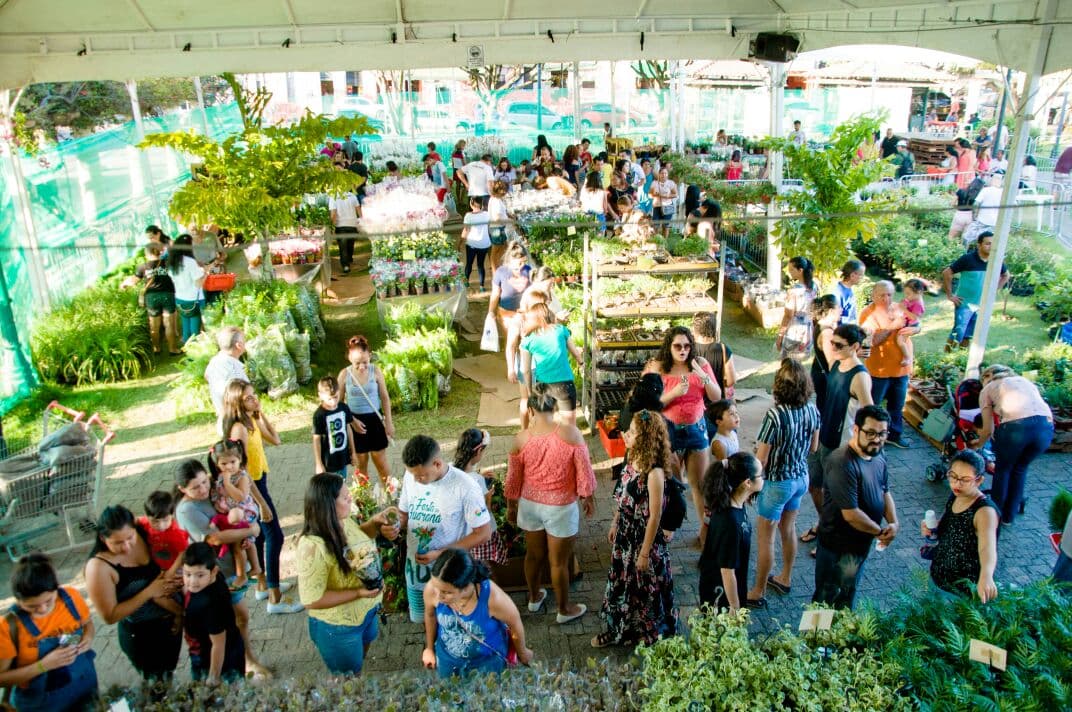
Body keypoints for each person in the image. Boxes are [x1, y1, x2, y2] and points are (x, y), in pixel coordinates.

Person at [174, 460, 269, 677]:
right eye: (195, 487)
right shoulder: (187, 510)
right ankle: (242, 664)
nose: (203, 490)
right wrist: (250, 530)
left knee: (241, 617)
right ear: (182, 489)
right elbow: (215, 538)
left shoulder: (209, 493)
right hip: (215, 576)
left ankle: (247, 661)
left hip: (229, 569)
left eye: (204, 482)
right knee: (232, 622)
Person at [298, 473, 400, 675]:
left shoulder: (342, 520)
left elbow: (358, 537)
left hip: (367, 613)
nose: (350, 498)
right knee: (346, 679)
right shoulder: (311, 547)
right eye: (345, 498)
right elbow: (311, 600)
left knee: (356, 667)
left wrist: (375, 524)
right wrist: (358, 593)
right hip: (339, 627)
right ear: (328, 505)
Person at [506, 394, 595, 624]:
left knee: (533, 556)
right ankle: (564, 609)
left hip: (529, 506)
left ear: (531, 411)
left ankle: (534, 598)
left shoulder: (521, 439)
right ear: (555, 408)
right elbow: (584, 471)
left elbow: (513, 479)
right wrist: (588, 496)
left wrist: (511, 506)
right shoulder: (571, 434)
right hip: (561, 507)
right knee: (558, 562)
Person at [593, 410, 675, 647]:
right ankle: (619, 630)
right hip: (625, 536)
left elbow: (655, 517)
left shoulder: (655, 473)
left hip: (643, 540)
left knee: (645, 590)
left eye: (632, 432)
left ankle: (648, 635)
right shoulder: (632, 457)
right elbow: (622, 496)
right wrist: (615, 522)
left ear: (647, 437)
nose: (626, 434)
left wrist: (645, 553)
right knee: (623, 586)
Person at [221, 380, 301, 613]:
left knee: (263, 538)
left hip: (260, 480)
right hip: (251, 486)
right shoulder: (238, 429)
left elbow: (276, 439)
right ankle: (274, 598)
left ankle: (265, 585)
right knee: (275, 535)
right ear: (236, 402)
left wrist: (261, 413)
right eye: (248, 398)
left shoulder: (251, 420)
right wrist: (260, 503)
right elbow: (241, 470)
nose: (254, 399)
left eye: (254, 395)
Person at [747, 359, 820, 605]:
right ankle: (785, 578)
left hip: (777, 483)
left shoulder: (775, 415)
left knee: (765, 539)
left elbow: (762, 459)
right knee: (788, 530)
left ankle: (758, 591)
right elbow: (814, 447)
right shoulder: (812, 410)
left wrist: (751, 482)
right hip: (800, 479)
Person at [399, 435, 493, 624]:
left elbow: (484, 532)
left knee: (451, 623)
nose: (416, 480)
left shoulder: (465, 486)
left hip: (450, 578)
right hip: (415, 573)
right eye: (413, 475)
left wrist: (440, 553)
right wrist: (393, 526)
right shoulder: (411, 476)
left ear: (437, 463)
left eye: (421, 475)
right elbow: (404, 514)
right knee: (422, 618)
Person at [813, 406, 899, 609]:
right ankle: (813, 639)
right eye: (871, 433)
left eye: (882, 433)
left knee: (847, 595)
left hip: (860, 545)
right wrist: (880, 532)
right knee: (825, 600)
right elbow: (851, 514)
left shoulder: (878, 455)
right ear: (856, 429)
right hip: (837, 548)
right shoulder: (841, 462)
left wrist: (894, 522)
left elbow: (884, 491)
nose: (877, 439)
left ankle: (839, 638)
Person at [83, 506, 182, 681]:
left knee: (168, 674)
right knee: (155, 683)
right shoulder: (98, 568)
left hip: (171, 623)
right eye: (117, 543)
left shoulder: (143, 529)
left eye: (130, 538)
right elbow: (109, 616)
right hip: (142, 635)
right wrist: (149, 592)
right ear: (102, 538)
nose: (127, 547)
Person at [644, 327, 721, 546]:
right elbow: (649, 403)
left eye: (687, 346)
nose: (683, 350)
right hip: (668, 429)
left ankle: (705, 530)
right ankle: (670, 525)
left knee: (699, 483)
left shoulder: (700, 364)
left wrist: (702, 375)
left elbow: (716, 397)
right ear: (669, 347)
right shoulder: (659, 367)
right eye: (678, 346)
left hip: (696, 429)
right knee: (673, 482)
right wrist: (674, 393)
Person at [802, 324, 873, 551]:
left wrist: (860, 447)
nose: (832, 347)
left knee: (836, 496)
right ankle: (826, 524)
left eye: (838, 345)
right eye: (832, 343)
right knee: (814, 485)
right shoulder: (837, 364)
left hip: (841, 445)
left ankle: (831, 537)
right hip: (823, 436)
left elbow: (869, 413)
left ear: (855, 347)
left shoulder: (860, 376)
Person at [0, 554, 97, 712]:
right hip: (42, 703)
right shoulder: (8, 627)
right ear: (18, 600)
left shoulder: (70, 598)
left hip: (84, 686)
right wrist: (42, 666)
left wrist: (88, 636)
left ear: (56, 589)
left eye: (48, 601)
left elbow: (87, 624)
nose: (42, 609)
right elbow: (2, 679)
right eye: (32, 606)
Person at [421, 549, 531, 677]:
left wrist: (522, 653)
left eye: (447, 592)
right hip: (448, 660)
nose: (439, 596)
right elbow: (430, 615)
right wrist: (429, 648)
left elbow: (515, 624)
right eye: (436, 587)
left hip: (488, 663)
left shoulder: (493, 598)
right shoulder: (432, 589)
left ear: (466, 586)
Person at [974, 365, 1055, 524]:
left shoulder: (989, 388)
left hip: (1017, 429)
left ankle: (994, 517)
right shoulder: (1024, 381)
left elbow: (987, 429)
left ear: (989, 375)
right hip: (1045, 428)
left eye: (982, 379)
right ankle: (1008, 517)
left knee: (1003, 470)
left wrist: (978, 446)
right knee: (1020, 469)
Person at [924, 450, 999, 601]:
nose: (957, 484)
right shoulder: (956, 495)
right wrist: (932, 528)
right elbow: (951, 526)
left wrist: (986, 575)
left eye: (965, 479)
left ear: (979, 480)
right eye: (953, 476)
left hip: (959, 591)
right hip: (938, 576)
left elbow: (987, 548)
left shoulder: (985, 511)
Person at [699, 453, 765, 612]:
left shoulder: (735, 503)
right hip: (721, 597)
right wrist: (734, 609)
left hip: (729, 587)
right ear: (748, 482)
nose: (763, 478)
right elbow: (727, 571)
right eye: (761, 475)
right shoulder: (730, 522)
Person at [861, 281, 917, 448]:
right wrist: (892, 327)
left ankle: (894, 434)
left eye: (890, 295)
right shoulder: (868, 314)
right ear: (873, 295)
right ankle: (869, 436)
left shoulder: (899, 308)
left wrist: (916, 329)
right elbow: (873, 341)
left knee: (897, 406)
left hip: (901, 369)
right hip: (879, 371)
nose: (886, 299)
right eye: (882, 295)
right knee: (873, 406)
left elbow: (916, 323)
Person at [181, 543, 246, 683]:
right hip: (215, 650)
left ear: (214, 571)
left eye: (199, 575)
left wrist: (213, 677)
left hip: (221, 662)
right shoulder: (214, 579)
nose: (192, 581)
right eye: (187, 574)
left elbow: (218, 644)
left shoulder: (210, 604)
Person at [207, 438, 263, 592]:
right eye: (224, 464)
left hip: (244, 513)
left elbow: (241, 497)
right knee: (243, 544)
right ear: (217, 463)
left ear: (240, 459)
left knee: (238, 546)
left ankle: (242, 576)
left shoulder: (242, 477)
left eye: (232, 462)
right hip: (231, 514)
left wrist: (228, 484)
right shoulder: (219, 477)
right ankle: (256, 567)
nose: (229, 467)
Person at [337, 335, 394, 484]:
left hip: (375, 421)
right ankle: (363, 502)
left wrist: (389, 422)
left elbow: (385, 398)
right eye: (357, 363)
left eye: (365, 362)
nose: (361, 367)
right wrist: (352, 420)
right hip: (355, 424)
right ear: (349, 357)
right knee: (361, 464)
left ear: (370, 355)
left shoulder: (376, 371)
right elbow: (338, 404)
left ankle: (391, 495)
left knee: (380, 462)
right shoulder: (344, 375)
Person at [941, 231, 1008, 351]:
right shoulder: (968, 259)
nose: (991, 246)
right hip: (964, 303)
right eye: (987, 244)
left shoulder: (995, 261)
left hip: (981, 305)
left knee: (969, 334)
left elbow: (1006, 275)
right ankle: (946, 357)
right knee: (958, 331)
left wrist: (994, 291)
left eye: (993, 244)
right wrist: (950, 295)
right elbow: (947, 273)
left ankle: (960, 358)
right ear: (979, 245)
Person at [520, 304, 584, 427]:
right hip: (565, 385)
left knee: (546, 427)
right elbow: (576, 353)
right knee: (569, 426)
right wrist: (581, 363)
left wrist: (529, 392)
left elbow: (526, 371)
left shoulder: (527, 340)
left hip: (543, 387)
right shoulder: (561, 330)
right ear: (549, 314)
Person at [134, 242, 179, 356]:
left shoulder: (142, 267)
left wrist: (124, 284)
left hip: (151, 297)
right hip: (167, 294)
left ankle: (156, 348)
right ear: (160, 251)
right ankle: (173, 349)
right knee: (169, 324)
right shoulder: (167, 263)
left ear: (146, 253)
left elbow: (135, 280)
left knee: (154, 326)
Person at [313, 376, 362, 477]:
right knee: (331, 489)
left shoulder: (343, 408)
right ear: (320, 396)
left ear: (339, 391)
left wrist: (353, 452)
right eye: (329, 399)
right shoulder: (319, 415)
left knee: (342, 482)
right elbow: (316, 439)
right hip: (328, 462)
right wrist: (318, 463)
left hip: (342, 458)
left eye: (335, 397)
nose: (333, 402)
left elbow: (348, 429)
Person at [490, 240, 533, 350]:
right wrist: (491, 312)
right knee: (511, 340)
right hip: (506, 314)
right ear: (510, 260)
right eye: (518, 263)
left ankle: (523, 364)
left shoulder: (528, 270)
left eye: (524, 262)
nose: (521, 266)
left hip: (523, 313)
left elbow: (533, 291)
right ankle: (512, 365)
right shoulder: (501, 272)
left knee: (524, 340)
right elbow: (495, 294)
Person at [165, 234, 205, 345]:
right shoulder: (189, 262)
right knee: (195, 328)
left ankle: (186, 346)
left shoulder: (172, 262)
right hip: (193, 298)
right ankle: (195, 351)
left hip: (179, 298)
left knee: (185, 324)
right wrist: (205, 272)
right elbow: (198, 283)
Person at [776, 256, 818, 361]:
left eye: (791, 270)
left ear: (800, 270)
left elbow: (788, 315)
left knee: (788, 363)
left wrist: (780, 335)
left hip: (794, 330)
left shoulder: (794, 291)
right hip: (808, 328)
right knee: (799, 364)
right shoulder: (814, 286)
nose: (789, 272)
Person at [137, 490, 189, 572]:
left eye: (165, 520)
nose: (160, 525)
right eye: (155, 521)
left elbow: (182, 552)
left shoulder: (176, 533)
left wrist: (171, 572)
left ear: (172, 515)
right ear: (147, 517)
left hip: (175, 567)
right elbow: (136, 520)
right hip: (158, 565)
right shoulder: (145, 522)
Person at [204, 327, 248, 422]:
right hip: (237, 420)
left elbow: (206, 376)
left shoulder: (215, 360)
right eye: (245, 340)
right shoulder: (235, 369)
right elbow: (242, 396)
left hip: (223, 419)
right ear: (239, 345)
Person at [692, 311, 736, 404]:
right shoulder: (723, 349)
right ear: (714, 328)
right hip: (718, 403)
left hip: (696, 402)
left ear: (695, 329)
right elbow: (731, 381)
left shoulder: (688, 350)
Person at [810, 295, 842, 415]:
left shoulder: (820, 324)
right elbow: (832, 361)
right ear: (831, 311)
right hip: (825, 377)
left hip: (819, 372)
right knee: (826, 411)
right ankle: (823, 433)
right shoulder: (827, 332)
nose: (841, 310)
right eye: (839, 307)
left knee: (822, 406)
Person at [462, 196, 492, 292]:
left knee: (469, 263)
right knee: (480, 265)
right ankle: (482, 286)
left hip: (472, 243)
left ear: (471, 204)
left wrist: (460, 242)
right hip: (484, 244)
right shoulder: (487, 215)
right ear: (482, 205)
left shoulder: (468, 216)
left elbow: (465, 231)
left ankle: (466, 282)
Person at [894, 278, 925, 367]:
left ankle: (907, 357)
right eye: (905, 293)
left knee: (900, 339)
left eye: (908, 294)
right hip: (908, 322)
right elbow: (906, 303)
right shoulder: (913, 299)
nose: (906, 296)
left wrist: (904, 309)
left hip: (912, 325)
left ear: (918, 292)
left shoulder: (918, 304)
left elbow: (914, 317)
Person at [329, 189, 361, 275]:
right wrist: (360, 220)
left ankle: (345, 266)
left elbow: (333, 214)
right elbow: (358, 209)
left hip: (340, 225)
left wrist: (332, 226)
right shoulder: (352, 195)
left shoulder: (333, 197)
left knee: (343, 246)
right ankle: (349, 259)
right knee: (351, 243)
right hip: (352, 224)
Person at [487, 181, 511, 270]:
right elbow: (497, 218)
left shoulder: (494, 198)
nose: (505, 192)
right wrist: (509, 220)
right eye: (504, 190)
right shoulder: (496, 201)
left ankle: (498, 268)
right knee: (495, 251)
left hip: (496, 227)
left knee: (500, 249)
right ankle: (495, 271)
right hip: (497, 228)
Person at [834, 259, 865, 325]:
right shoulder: (838, 293)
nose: (862, 278)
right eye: (861, 275)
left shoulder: (849, 291)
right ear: (852, 275)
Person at [648, 167, 678, 236]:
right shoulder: (654, 183)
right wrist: (654, 195)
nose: (663, 175)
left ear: (667, 174)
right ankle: (657, 241)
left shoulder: (671, 183)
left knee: (666, 226)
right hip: (657, 206)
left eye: (665, 173)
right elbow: (649, 195)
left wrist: (666, 196)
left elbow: (675, 194)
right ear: (659, 174)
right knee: (656, 225)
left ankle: (664, 243)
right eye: (662, 173)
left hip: (668, 206)